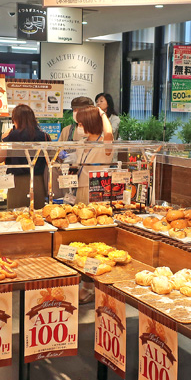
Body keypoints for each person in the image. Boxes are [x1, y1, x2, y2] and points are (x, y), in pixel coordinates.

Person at [70, 106, 114, 305]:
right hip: (81, 190)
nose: (78, 127)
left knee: (94, 241)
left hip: (97, 191)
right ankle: (84, 283)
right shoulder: (82, 142)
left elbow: (109, 133)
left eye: (81, 123)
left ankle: (90, 286)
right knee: (80, 239)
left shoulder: (104, 144)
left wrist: (102, 113)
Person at [0, 104, 51, 209]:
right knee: (37, 217)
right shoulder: (44, 136)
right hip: (38, 181)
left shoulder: (11, 135)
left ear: (15, 119)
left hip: (16, 183)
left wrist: (3, 139)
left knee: (16, 217)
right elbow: (50, 158)